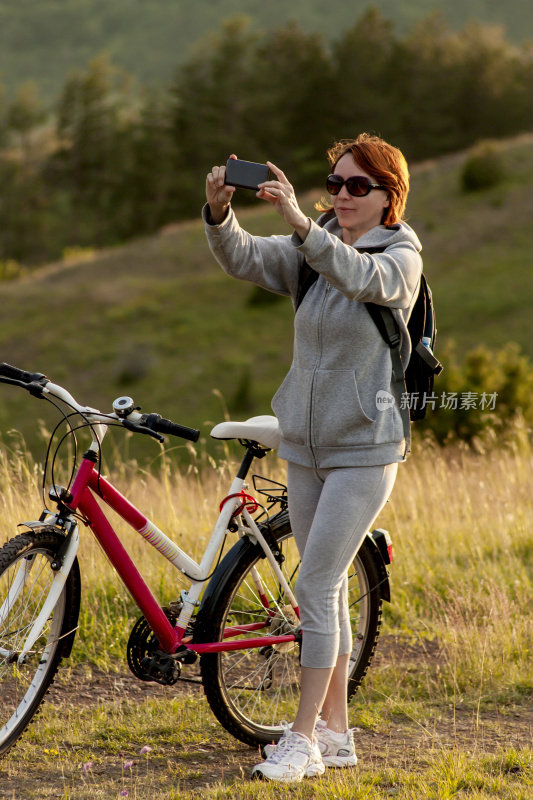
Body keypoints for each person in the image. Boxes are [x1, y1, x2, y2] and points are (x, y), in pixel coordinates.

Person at [203, 134, 422, 783]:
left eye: (358, 186)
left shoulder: (399, 254)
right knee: (324, 591)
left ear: (389, 195)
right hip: (305, 443)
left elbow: (362, 279)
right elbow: (243, 258)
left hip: (364, 447)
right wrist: (220, 215)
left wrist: (303, 225)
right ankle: (338, 733)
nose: (342, 195)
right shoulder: (309, 247)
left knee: (314, 587)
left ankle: (302, 741)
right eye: (336, 182)